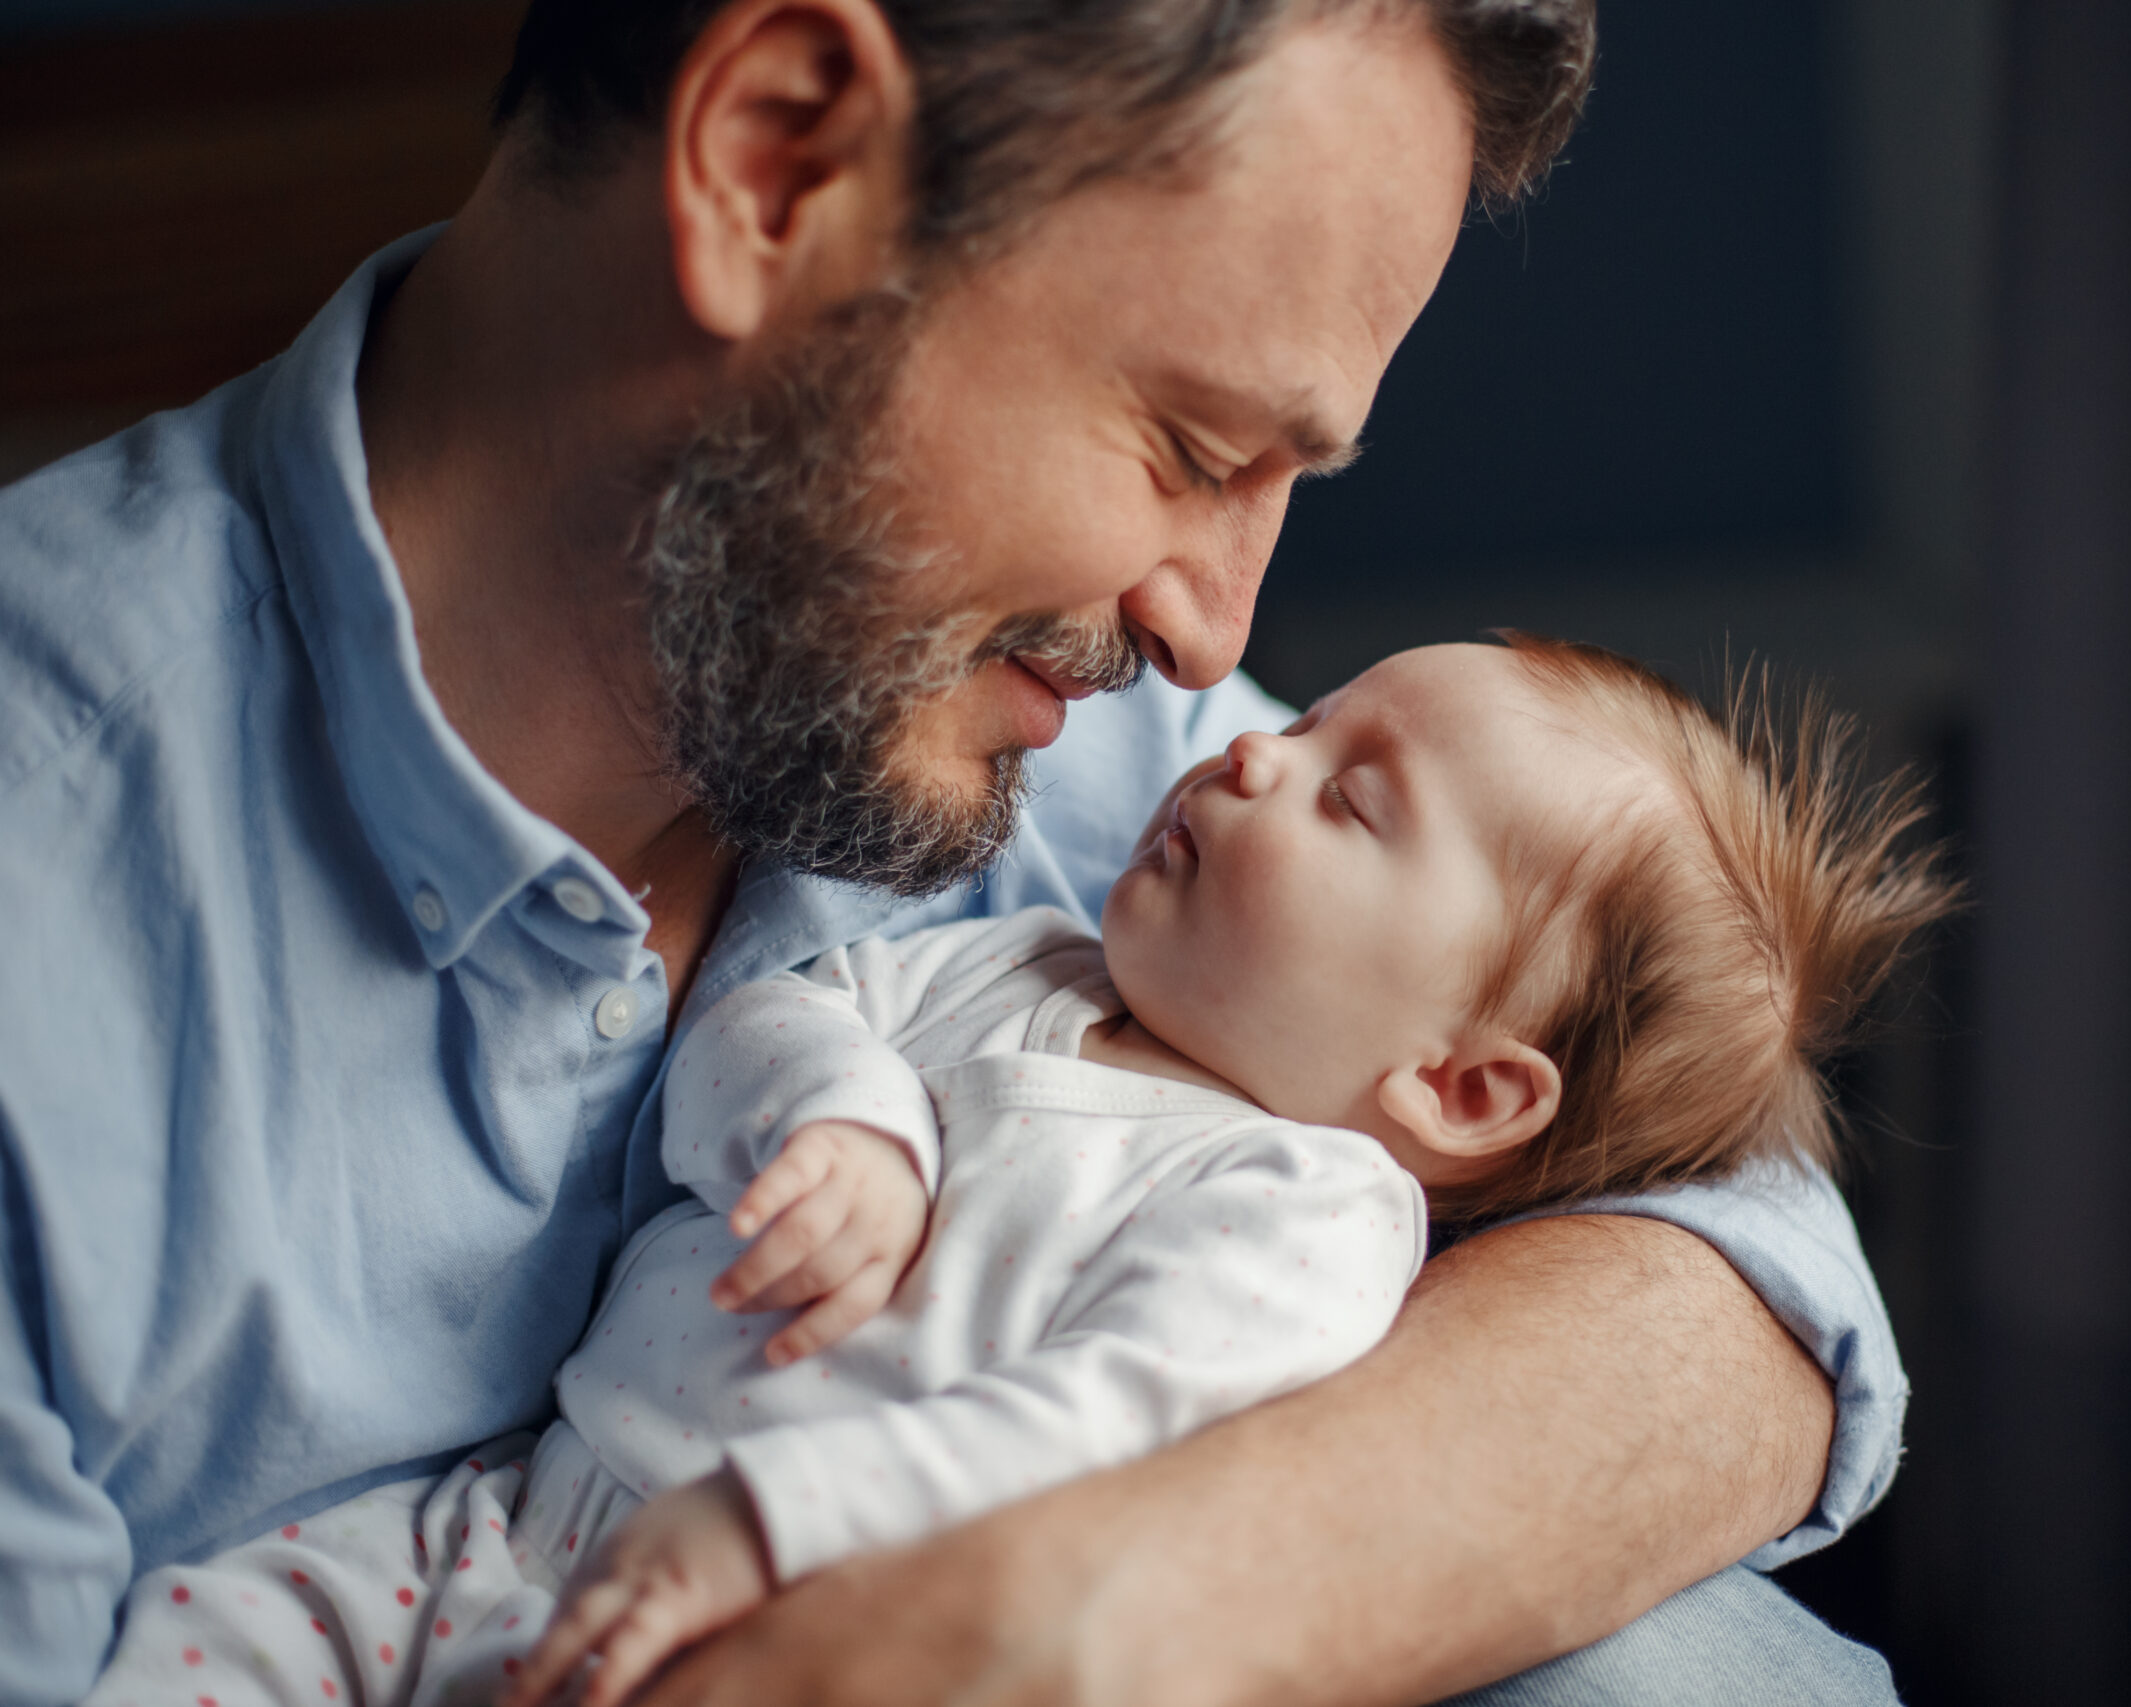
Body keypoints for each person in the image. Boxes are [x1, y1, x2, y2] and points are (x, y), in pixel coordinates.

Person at [0, 1, 1911, 1702]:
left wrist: (1118, 1610)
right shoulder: (50, 899)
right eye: (1187, 445)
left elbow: (1731, 1238)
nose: (1215, 645)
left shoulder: (1081, 749)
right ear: (777, 165)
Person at [79, 638, 1950, 1707]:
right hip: (502, 1514)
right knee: (209, 1642)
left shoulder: (1306, 1219)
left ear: (1459, 1087)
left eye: (1347, 797)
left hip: (777, 1607)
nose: (1241, 758)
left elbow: (1089, 1427)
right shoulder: (1028, 960)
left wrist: (774, 1527)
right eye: (1303, 732)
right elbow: (772, 1021)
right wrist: (851, 1119)